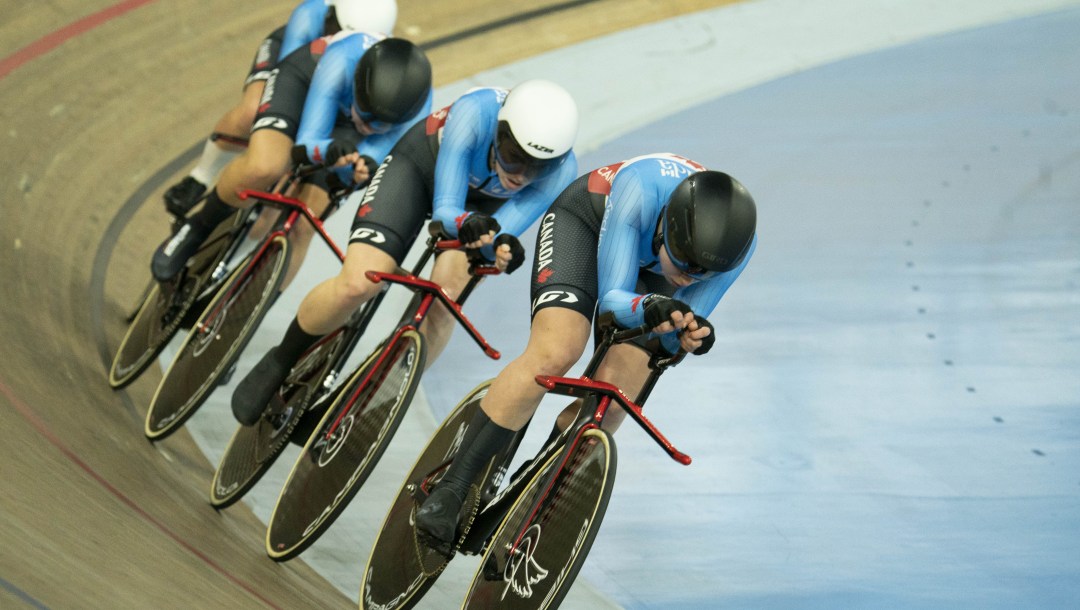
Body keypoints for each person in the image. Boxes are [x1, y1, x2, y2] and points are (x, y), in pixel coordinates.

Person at [412, 154, 758, 548]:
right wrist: (649, 307)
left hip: (648, 277)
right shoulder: (640, 192)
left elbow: (670, 336)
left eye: (702, 274)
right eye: (684, 263)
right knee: (556, 352)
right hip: (585, 224)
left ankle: (526, 493)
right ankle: (452, 488)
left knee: (613, 403)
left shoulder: (735, 250)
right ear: (667, 227)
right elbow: (613, 301)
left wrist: (687, 334)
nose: (688, 277)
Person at [229, 79, 582, 426]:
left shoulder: (562, 171)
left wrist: (500, 246)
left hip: (480, 210)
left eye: (538, 168)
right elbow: (446, 211)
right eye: (513, 158)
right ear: (499, 132)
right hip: (420, 170)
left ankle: (370, 402)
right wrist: (473, 225)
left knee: (445, 303)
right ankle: (280, 360)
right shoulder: (474, 113)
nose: (521, 176)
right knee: (358, 283)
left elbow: (498, 231)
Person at [150, 32, 433, 286]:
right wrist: (328, 151)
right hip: (305, 83)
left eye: (384, 124)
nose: (371, 127)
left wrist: (361, 167)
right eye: (369, 116)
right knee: (266, 166)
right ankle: (197, 226)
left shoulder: (418, 109)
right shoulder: (341, 61)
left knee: (307, 223)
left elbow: (374, 158)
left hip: (347, 128)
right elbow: (307, 143)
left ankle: (246, 306)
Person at [162, 0, 399, 217]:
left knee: (281, 203)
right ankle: (200, 176)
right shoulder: (309, 14)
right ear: (330, 15)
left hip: (336, 79)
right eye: (339, 32)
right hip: (297, 58)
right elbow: (285, 78)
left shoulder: (372, 49)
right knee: (252, 111)